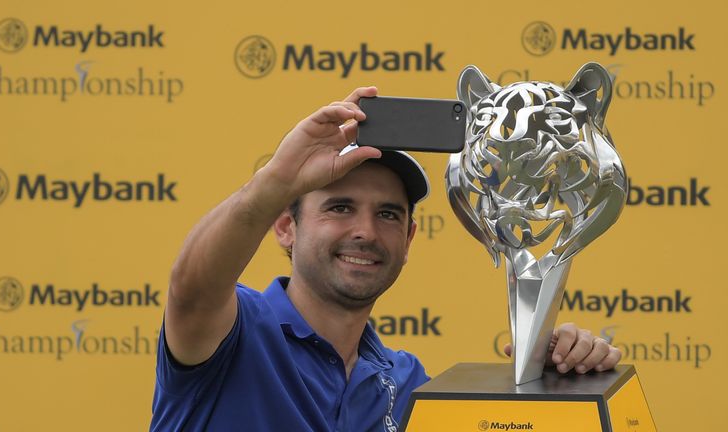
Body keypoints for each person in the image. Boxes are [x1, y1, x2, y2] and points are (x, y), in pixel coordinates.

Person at [150, 87, 622, 431]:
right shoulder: (231, 332)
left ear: (410, 237)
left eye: (388, 214)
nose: (366, 231)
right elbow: (190, 288)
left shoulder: (410, 381)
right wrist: (276, 180)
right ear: (284, 226)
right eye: (339, 208)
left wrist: (558, 369)